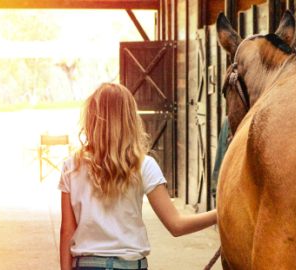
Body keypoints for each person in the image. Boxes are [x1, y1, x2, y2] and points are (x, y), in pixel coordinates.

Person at [59, 83, 218, 270]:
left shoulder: (72, 167)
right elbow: (176, 225)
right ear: (130, 119)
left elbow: (67, 231)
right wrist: (220, 213)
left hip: (87, 265)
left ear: (91, 118)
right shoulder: (144, 165)